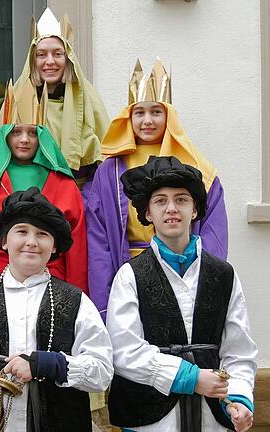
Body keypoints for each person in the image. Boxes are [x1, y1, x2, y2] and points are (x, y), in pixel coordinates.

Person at [106, 156, 257, 432]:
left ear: (195, 210)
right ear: (148, 213)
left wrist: (239, 398)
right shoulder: (130, 276)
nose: (171, 208)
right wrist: (190, 377)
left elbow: (238, 350)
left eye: (181, 199)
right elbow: (124, 350)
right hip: (150, 418)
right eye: (161, 201)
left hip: (211, 415)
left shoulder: (223, 275)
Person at [0, 188, 113, 432]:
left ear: (54, 246)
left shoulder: (75, 301)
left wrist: (46, 364)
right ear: (4, 240)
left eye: (42, 234)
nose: (32, 242)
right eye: (21, 231)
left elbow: (102, 371)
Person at [86, 59, 229, 322]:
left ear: (169, 116)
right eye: (139, 113)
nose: (147, 121)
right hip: (127, 268)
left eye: (156, 112)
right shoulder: (109, 170)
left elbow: (214, 235)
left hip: (182, 270)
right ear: (129, 117)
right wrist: (103, 303)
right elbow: (99, 239)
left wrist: (204, 281)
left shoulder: (196, 166)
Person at [0, 80, 87, 292]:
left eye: (32, 133)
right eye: (17, 132)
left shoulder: (63, 183)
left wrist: (75, 297)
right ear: (5, 135)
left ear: (42, 136)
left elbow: (77, 251)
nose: (24, 140)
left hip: (53, 285)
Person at [5, 8, 109, 192]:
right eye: (42, 54)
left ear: (68, 58)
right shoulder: (19, 97)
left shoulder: (87, 97)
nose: (50, 61)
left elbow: (104, 156)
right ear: (32, 60)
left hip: (78, 193)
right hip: (30, 192)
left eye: (57, 54)